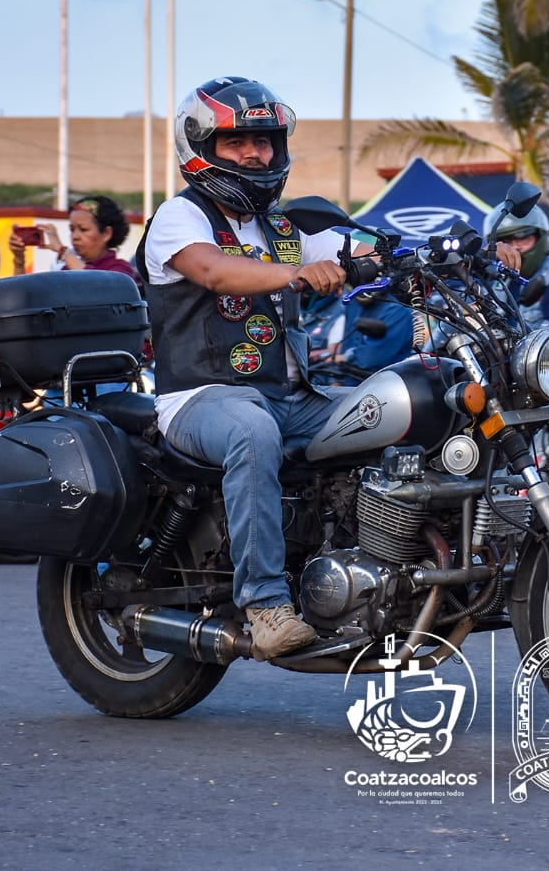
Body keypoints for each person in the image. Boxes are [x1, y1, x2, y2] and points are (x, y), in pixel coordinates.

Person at [134, 76, 349, 661]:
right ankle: (266, 605)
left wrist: (450, 251)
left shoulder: (285, 225)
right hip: (201, 399)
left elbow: (356, 251)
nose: (257, 154)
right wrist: (295, 274)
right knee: (253, 430)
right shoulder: (179, 218)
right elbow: (215, 271)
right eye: (239, 143)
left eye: (266, 141)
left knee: (391, 409)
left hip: (289, 394)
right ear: (201, 146)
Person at [483, 202, 549, 339]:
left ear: (540, 237)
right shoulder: (500, 278)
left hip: (536, 359)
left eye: (523, 237)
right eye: (506, 241)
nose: (515, 247)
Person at [33, 196, 141, 285]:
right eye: (72, 229)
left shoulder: (120, 270)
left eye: (83, 229)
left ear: (107, 233)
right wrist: (19, 261)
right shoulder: (67, 270)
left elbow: (98, 285)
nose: (75, 236)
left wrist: (64, 252)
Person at [335, 291, 415, 373]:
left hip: (378, 382)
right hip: (345, 379)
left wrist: (345, 358)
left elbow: (368, 360)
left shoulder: (397, 310)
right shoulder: (352, 301)